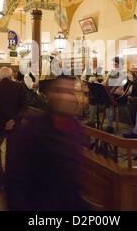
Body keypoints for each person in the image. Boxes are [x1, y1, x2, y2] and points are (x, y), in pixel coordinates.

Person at [5, 76, 86, 210]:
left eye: (70, 92)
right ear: (50, 94)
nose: (66, 97)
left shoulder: (75, 127)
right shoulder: (32, 129)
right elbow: (15, 180)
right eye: (60, 91)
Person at [0, 67, 26, 190]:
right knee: (12, 152)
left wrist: (3, 123)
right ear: (10, 75)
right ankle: (11, 178)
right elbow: (24, 107)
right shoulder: (19, 86)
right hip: (15, 125)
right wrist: (13, 120)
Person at [103, 56, 133, 134]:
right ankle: (109, 125)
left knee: (108, 101)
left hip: (121, 97)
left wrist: (121, 91)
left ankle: (110, 126)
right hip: (111, 95)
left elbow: (129, 90)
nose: (115, 66)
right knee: (105, 97)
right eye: (114, 64)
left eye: (116, 64)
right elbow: (105, 84)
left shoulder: (127, 74)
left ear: (121, 64)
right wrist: (106, 81)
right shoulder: (111, 72)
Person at [81, 57, 104, 126]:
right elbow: (82, 78)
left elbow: (102, 80)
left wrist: (96, 79)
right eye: (94, 61)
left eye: (96, 61)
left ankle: (92, 120)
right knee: (91, 99)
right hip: (90, 89)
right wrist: (86, 81)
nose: (95, 62)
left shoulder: (100, 70)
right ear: (91, 62)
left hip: (98, 90)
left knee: (92, 100)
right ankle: (91, 119)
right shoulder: (88, 69)